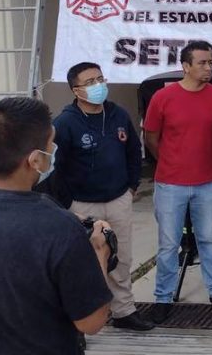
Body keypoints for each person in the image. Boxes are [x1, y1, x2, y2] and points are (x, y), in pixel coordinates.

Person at [0, 98, 113, 353]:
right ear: (35, 160)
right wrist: (100, 253)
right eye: (50, 144)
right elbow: (91, 321)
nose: (54, 148)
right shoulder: (59, 228)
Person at [144, 40, 212, 323]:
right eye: (202, 63)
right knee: (169, 243)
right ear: (185, 66)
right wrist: (171, 163)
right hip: (170, 183)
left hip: (208, 181)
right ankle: (163, 296)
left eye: (211, 62)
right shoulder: (163, 98)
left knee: (208, 239)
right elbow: (151, 136)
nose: (208, 67)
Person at [53, 62, 152, 331]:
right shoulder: (65, 123)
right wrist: (68, 204)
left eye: (101, 79)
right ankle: (85, 320)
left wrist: (131, 186)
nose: (99, 86)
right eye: (90, 82)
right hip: (83, 204)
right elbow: (55, 167)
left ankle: (123, 312)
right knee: (87, 265)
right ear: (76, 90)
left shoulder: (117, 114)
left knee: (122, 259)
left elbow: (133, 151)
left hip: (118, 199)